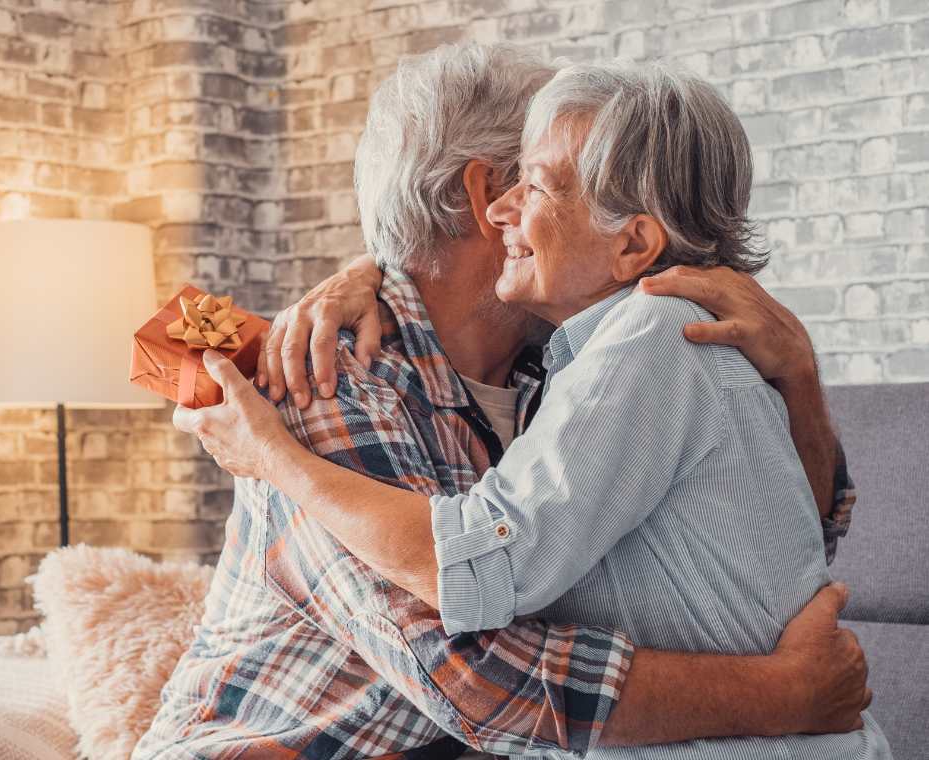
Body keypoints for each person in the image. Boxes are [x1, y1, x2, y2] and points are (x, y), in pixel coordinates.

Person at [138, 44, 870, 759]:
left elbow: (774, 541)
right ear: (485, 195)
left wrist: (798, 376)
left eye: (545, 182)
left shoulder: (559, 366)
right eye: (525, 176)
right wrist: (779, 695)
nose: (518, 208)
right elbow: (474, 679)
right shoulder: (328, 380)